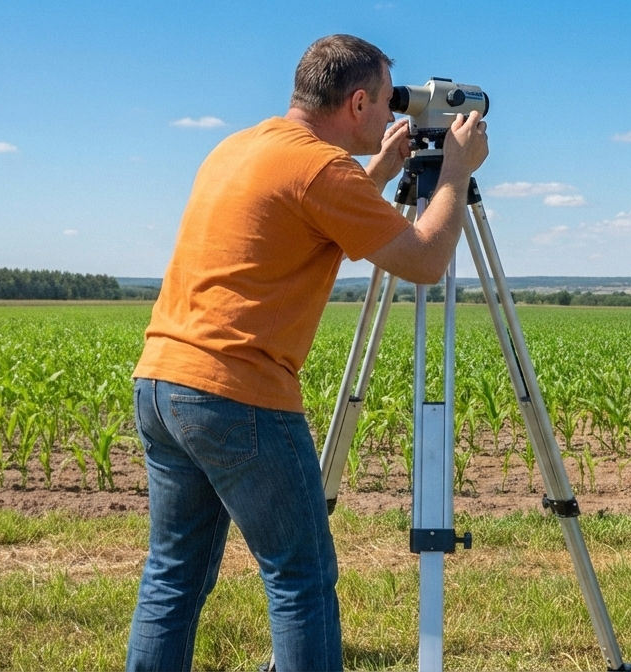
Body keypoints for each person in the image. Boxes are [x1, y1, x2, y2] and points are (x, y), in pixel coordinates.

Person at [125, 34, 488, 672]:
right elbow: (427, 260)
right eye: (386, 100)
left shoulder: (242, 147)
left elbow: (318, 224)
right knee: (302, 579)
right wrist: (455, 173)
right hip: (236, 391)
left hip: (162, 382)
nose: (393, 112)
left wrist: (380, 169)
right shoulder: (322, 169)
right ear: (356, 103)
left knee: (173, 575)